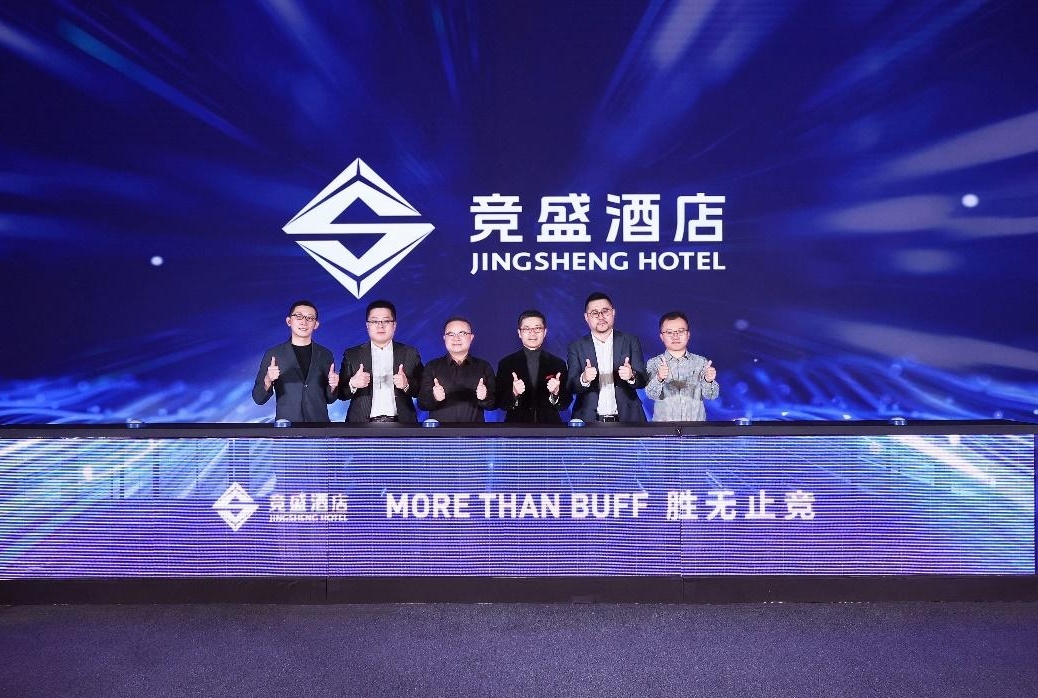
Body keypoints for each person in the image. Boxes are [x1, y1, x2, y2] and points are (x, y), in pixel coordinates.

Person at [252, 300, 339, 422]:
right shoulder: (274, 354)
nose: (304, 322)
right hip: (287, 426)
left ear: (316, 324)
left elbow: (330, 399)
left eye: (310, 318)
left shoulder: (325, 354)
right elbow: (258, 398)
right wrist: (268, 380)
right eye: (298, 316)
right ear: (289, 321)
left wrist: (333, 386)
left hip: (319, 426)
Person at [566, 292, 647, 423]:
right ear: (586, 317)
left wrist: (631, 376)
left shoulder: (630, 341)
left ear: (613, 312)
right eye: (594, 313)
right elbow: (571, 386)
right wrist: (584, 379)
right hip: (588, 421)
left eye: (605, 311)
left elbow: (643, 380)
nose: (601, 316)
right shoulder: (576, 346)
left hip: (628, 419)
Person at [339, 299, 423, 423]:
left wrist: (406, 384)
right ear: (367, 326)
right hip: (360, 425)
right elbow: (341, 394)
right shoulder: (353, 354)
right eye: (374, 321)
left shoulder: (410, 353)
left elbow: (423, 392)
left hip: (402, 424)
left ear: (394, 325)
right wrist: (353, 384)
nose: (380, 326)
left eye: (386, 321)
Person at [495, 309, 572, 423]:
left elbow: (565, 404)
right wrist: (514, 393)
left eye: (537, 328)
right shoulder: (506, 364)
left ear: (545, 332)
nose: (532, 333)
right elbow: (500, 404)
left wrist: (556, 393)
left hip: (550, 427)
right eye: (526, 329)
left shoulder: (558, 363)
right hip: (516, 427)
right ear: (519, 333)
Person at [645, 311, 719, 422]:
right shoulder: (654, 363)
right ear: (661, 337)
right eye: (669, 332)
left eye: (680, 331)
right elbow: (651, 395)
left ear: (688, 335)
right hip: (664, 429)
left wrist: (708, 381)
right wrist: (659, 378)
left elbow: (712, 396)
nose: (675, 336)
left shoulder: (701, 362)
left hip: (695, 428)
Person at [418, 317, 496, 422]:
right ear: (444, 338)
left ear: (471, 337)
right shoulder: (432, 366)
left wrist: (484, 397)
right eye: (451, 334)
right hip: (440, 431)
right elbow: (422, 404)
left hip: (474, 430)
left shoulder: (484, 366)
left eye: (462, 333)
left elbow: (494, 404)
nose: (456, 338)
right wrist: (434, 397)